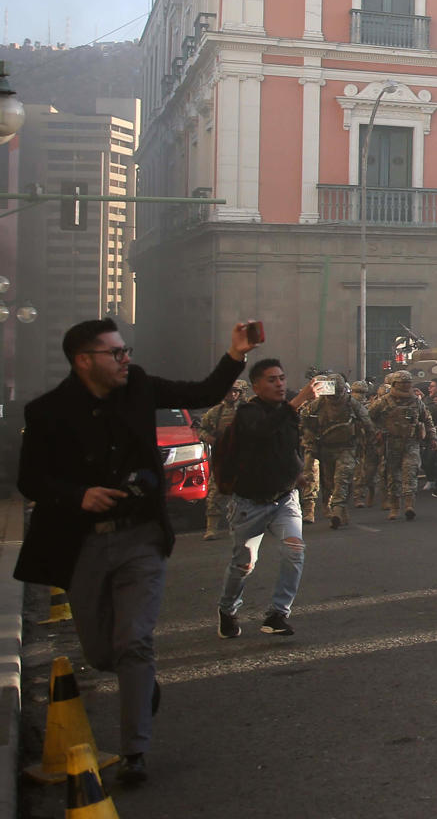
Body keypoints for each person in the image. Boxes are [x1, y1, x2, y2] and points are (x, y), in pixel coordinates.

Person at [13, 317, 256, 787]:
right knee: (104, 651)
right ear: (84, 361)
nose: (127, 359)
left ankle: (134, 752)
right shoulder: (47, 412)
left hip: (140, 536)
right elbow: (30, 480)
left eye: (126, 351)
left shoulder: (139, 387)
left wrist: (236, 354)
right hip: (82, 542)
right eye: (115, 353)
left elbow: (202, 392)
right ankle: (138, 682)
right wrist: (78, 494)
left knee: (136, 642)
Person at [217, 358, 319, 638]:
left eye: (282, 378)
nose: (279, 384)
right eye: (272, 379)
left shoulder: (287, 414)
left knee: (294, 550)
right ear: (256, 386)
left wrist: (297, 474)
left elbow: (287, 449)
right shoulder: (248, 413)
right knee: (244, 564)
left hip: (284, 499)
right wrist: (297, 401)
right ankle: (227, 609)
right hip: (250, 503)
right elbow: (261, 432)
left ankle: (278, 614)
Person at [301, 373, 372, 528]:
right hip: (326, 448)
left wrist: (369, 442)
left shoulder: (351, 403)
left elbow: (367, 422)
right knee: (328, 481)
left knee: (343, 477)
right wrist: (310, 437)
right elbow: (304, 419)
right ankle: (334, 507)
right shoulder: (319, 403)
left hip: (346, 447)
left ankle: (338, 510)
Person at [367, 372, 437, 521]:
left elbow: (427, 419)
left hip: (411, 442)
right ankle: (394, 507)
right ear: (394, 384)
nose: (406, 386)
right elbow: (369, 418)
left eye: (408, 383)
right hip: (391, 443)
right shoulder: (384, 402)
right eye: (402, 383)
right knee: (393, 476)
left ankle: (409, 505)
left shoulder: (416, 401)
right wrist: (377, 432)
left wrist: (432, 437)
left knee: (410, 472)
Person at [196, 381, 249, 539]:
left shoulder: (248, 410)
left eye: (235, 392)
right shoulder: (215, 413)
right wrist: (210, 439)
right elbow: (201, 429)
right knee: (215, 493)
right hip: (224, 457)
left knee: (248, 494)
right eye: (229, 392)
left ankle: (249, 525)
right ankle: (211, 528)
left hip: (245, 457)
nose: (232, 395)